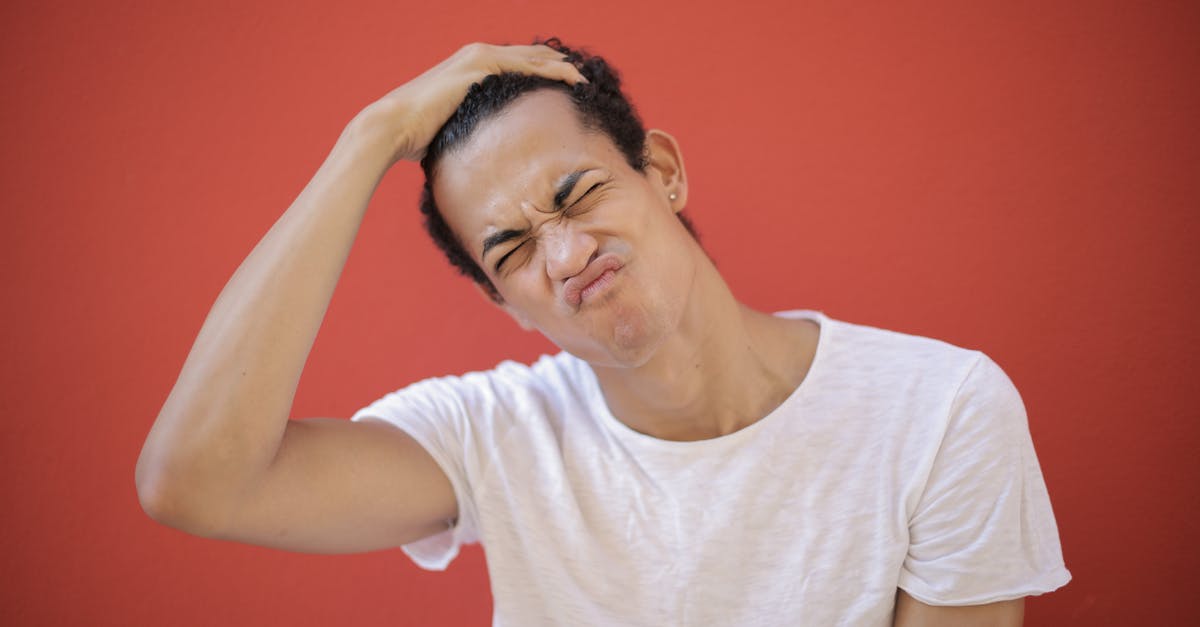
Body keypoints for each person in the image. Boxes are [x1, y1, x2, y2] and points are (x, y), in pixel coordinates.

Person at [136, 38, 1070, 626]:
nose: (568, 250)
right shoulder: (494, 435)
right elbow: (196, 484)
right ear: (505, 304)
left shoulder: (941, 409)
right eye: (512, 249)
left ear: (661, 171)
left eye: (578, 192)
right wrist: (369, 139)